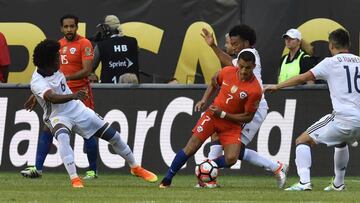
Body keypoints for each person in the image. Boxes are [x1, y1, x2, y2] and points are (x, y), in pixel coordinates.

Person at [29, 39, 158, 188]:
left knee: (113, 136)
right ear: (47, 62)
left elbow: (45, 89)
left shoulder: (51, 68)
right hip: (58, 116)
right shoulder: (37, 81)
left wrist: (34, 96)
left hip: (78, 109)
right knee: (63, 138)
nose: (60, 59)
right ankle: (75, 179)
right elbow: (50, 96)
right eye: (57, 57)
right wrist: (73, 95)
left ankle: (135, 167)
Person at [265, 28, 360, 191]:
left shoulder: (331, 63)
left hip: (343, 118)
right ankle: (338, 184)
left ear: (330, 45)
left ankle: (304, 182)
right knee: (341, 141)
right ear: (349, 44)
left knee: (302, 140)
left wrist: (278, 86)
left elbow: (303, 77)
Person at [159, 51, 263, 188]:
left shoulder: (255, 90)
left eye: (248, 68)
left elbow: (248, 117)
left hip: (231, 125)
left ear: (254, 66)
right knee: (191, 147)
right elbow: (214, 82)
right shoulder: (227, 71)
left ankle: (207, 167)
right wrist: (203, 100)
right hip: (212, 116)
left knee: (231, 158)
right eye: (241, 66)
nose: (244, 71)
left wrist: (224, 115)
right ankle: (167, 179)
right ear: (237, 63)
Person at [201, 25, 288, 188]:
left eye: (236, 43)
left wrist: (213, 46)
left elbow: (229, 62)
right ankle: (207, 179)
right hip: (242, 105)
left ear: (246, 42)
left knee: (234, 150)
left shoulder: (249, 55)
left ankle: (276, 167)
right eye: (231, 43)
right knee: (218, 138)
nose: (233, 47)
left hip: (253, 108)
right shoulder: (244, 56)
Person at [21, 14, 99, 179]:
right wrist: (35, 95)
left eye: (72, 26)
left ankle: (93, 170)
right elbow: (45, 76)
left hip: (80, 94)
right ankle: (38, 168)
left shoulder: (84, 43)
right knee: (47, 129)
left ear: (77, 27)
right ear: (61, 28)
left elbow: (87, 70)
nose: (69, 29)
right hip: (60, 96)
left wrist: (66, 78)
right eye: (66, 27)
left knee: (89, 130)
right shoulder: (57, 46)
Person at [92, 15, 140, 83]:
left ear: (107, 28)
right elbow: (136, 55)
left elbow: (91, 67)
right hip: (131, 90)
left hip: (108, 90)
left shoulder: (101, 45)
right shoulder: (133, 41)